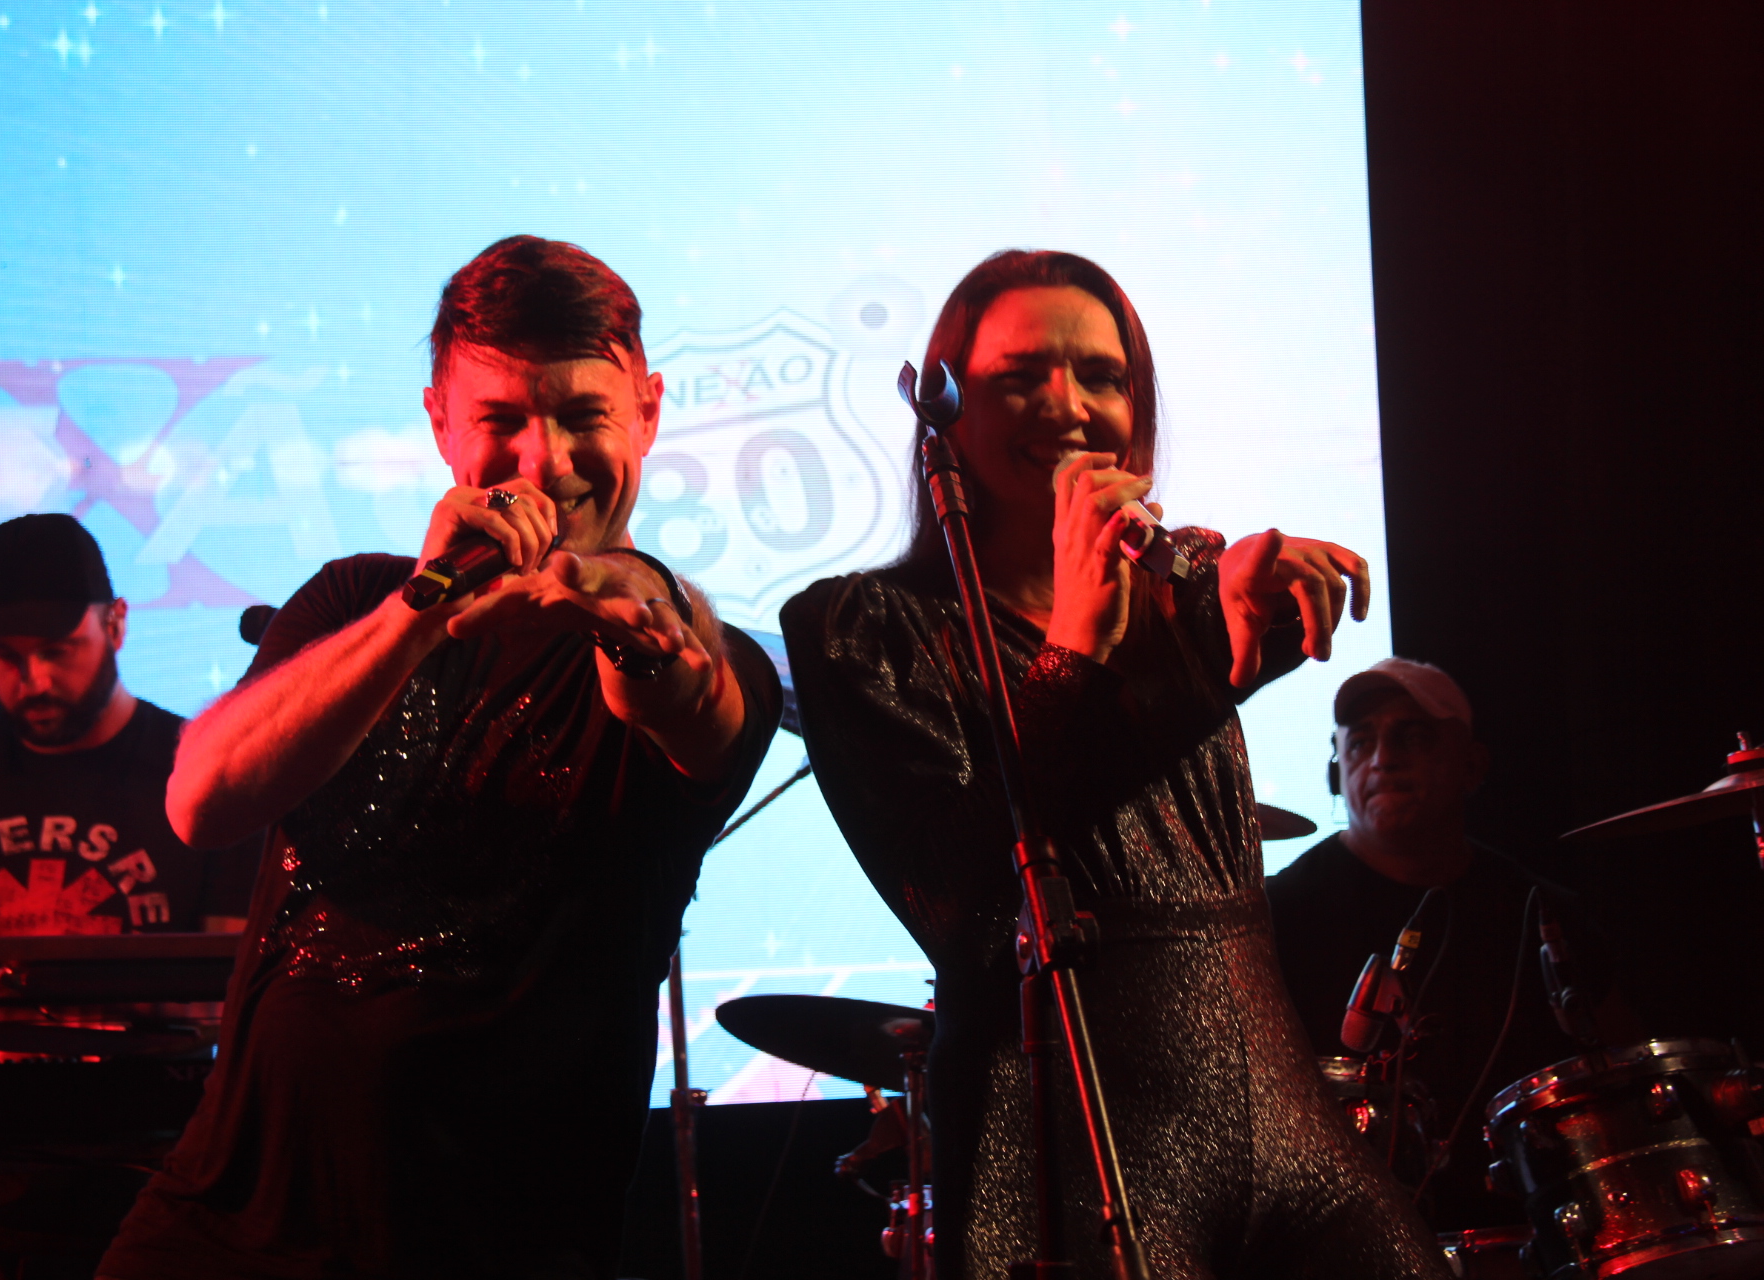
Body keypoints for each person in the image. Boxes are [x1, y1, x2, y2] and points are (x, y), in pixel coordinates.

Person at [100, 236, 781, 1280]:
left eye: (584, 417)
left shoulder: (691, 642)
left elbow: (684, 683)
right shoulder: (356, 600)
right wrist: (423, 604)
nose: (545, 462)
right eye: (501, 420)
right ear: (440, 424)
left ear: (647, 412)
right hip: (217, 1231)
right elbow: (203, 796)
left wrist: (639, 618)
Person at [781, 249, 1448, 1279]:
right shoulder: (861, 626)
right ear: (944, 409)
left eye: (1102, 375)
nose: (1070, 405)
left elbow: (1234, 635)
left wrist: (1258, 611)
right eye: (1020, 377)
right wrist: (1073, 649)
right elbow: (959, 900)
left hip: (1282, 1109)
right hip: (1054, 1138)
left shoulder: (1182, 588)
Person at [1267, 657, 1629, 1231]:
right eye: (1360, 742)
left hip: (1530, 1238)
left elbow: (1622, 1075)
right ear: (1337, 773)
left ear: (1473, 765)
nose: (1383, 759)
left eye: (1412, 736)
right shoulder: (1275, 918)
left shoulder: (1543, 912)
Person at [0, 513, 258, 936]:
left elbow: (234, 969)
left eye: (57, 651)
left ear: (116, 624)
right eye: (6, 656)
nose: (34, 682)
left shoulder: (209, 772)